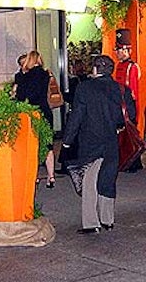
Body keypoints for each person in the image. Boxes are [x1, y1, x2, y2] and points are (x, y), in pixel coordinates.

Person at [62, 55, 135, 234]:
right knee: (108, 179)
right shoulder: (121, 89)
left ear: (95, 69)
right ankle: (108, 220)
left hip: (90, 141)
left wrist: (67, 141)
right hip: (112, 140)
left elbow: (77, 116)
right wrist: (116, 125)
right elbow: (130, 114)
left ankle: (91, 223)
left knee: (89, 182)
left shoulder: (85, 88)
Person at [16, 50, 56, 188]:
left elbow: (21, 96)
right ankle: (51, 176)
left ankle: (35, 176)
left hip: (31, 113)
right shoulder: (45, 74)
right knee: (48, 145)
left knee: (33, 145)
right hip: (45, 111)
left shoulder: (24, 77)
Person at [114, 28, 142, 172]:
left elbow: (133, 92)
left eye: (118, 50)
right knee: (123, 136)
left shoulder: (132, 67)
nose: (116, 53)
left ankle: (134, 163)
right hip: (120, 104)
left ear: (125, 50)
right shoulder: (120, 65)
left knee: (130, 134)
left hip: (128, 106)